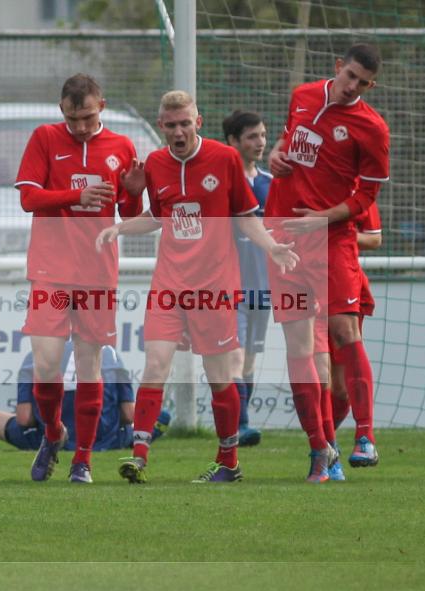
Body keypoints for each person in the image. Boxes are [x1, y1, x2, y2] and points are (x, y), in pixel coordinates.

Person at [96, 90, 298, 484]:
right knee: (155, 363)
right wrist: (121, 224)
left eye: (184, 123)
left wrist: (272, 247)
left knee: (219, 376)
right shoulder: (154, 163)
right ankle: (139, 455)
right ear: (161, 127)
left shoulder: (224, 160)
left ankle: (229, 462)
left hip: (215, 287)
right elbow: (157, 216)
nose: (178, 131)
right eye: (170, 125)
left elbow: (245, 216)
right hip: (169, 284)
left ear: (198, 122)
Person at [266, 43, 390, 483]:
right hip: (285, 238)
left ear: (370, 85)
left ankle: (365, 437)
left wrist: (322, 217)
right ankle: (320, 449)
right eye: (349, 75)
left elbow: (366, 198)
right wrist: (275, 157)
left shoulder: (372, 128)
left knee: (344, 330)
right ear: (338, 67)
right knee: (299, 348)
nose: (351, 86)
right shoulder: (301, 95)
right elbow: (285, 143)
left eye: (362, 82)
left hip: (333, 239)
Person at [12, 73, 144, 483]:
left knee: (90, 366)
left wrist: (136, 192)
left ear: (101, 106)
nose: (81, 126)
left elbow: (134, 219)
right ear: (61, 111)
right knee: (47, 365)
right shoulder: (45, 138)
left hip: (97, 273)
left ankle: (81, 460)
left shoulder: (122, 147)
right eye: (73, 119)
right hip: (51, 271)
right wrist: (75, 196)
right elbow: (28, 198)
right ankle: (53, 433)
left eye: (87, 117)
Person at [0, 343, 170, 454]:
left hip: (55, 440)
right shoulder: (109, 352)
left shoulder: (37, 355)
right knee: (153, 417)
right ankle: (143, 438)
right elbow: (128, 414)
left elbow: (24, 418)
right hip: (105, 439)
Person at [316, 202, 382, 482]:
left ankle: (362, 438)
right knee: (321, 376)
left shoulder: (354, 187)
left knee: (341, 387)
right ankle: (325, 450)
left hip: (342, 275)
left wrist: (336, 231)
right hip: (304, 275)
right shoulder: (295, 174)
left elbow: (375, 238)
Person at [222, 109, 272, 447]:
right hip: (230, 287)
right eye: (252, 136)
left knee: (251, 358)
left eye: (263, 135)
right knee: (235, 357)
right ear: (233, 142)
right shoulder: (222, 182)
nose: (261, 142)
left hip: (265, 287)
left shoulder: (271, 183)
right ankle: (238, 425)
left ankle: (241, 421)